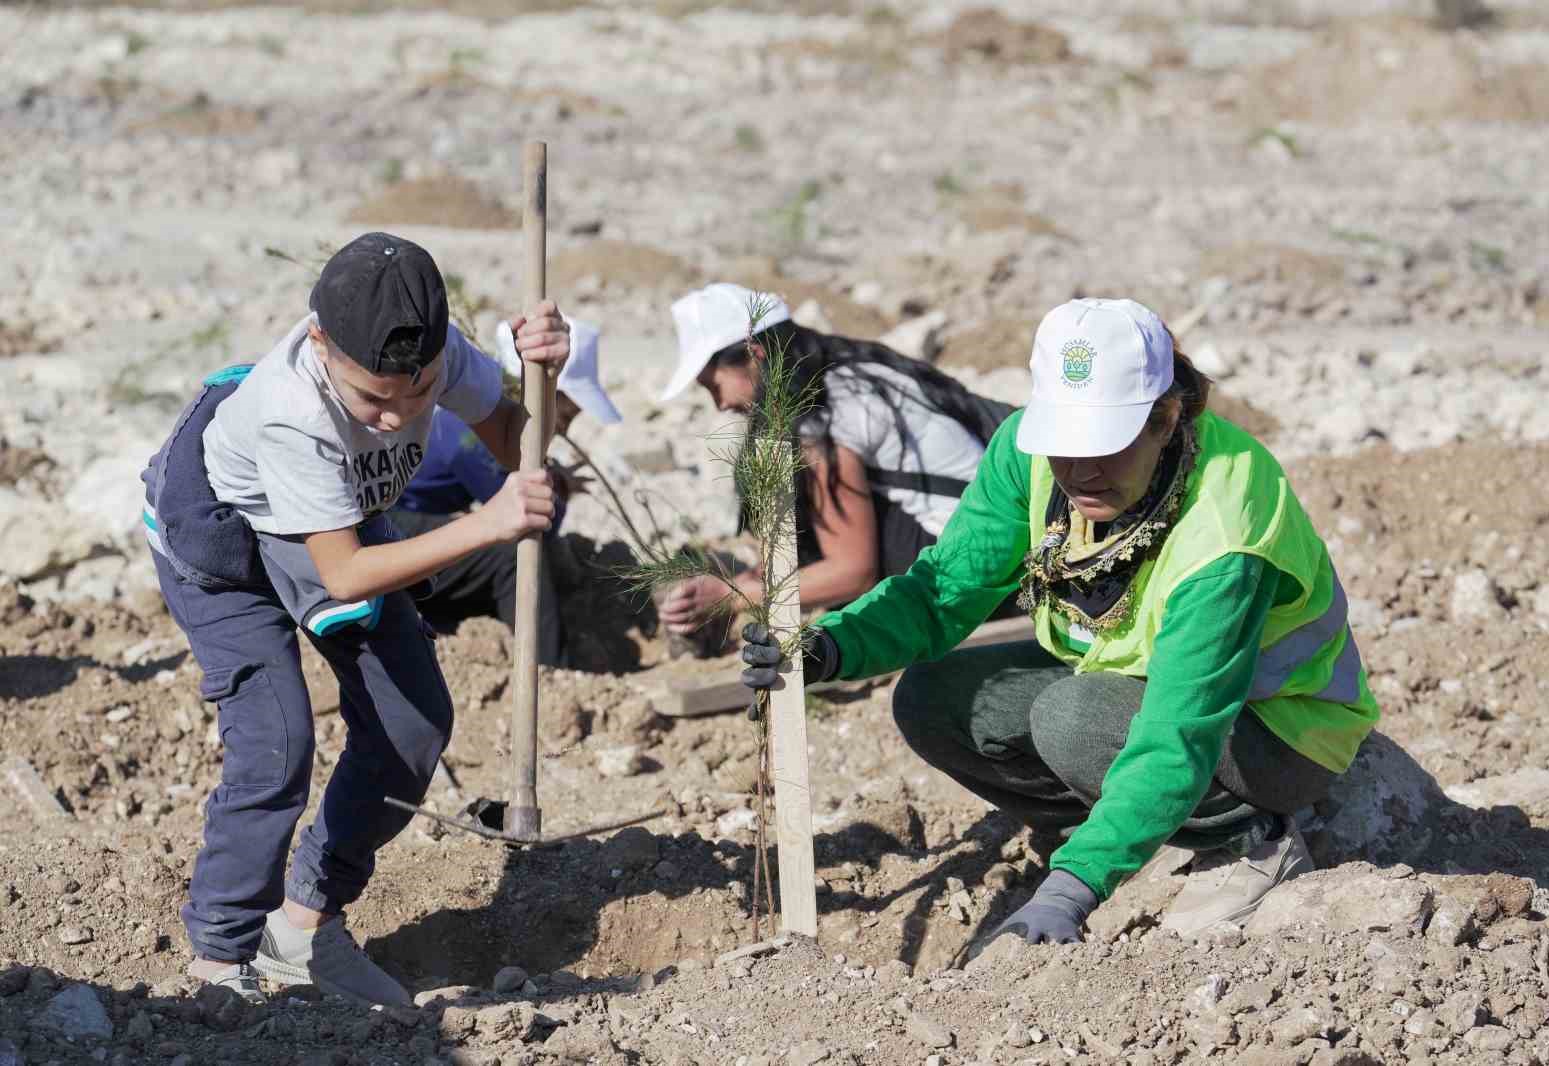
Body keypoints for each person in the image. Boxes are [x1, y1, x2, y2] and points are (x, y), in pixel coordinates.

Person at [739, 297, 1380, 942]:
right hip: (1124, 683)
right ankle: (1123, 831)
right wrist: (829, 647)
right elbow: (943, 590)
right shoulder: (1027, 455)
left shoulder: (1224, 530)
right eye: (1065, 444)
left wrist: (1071, 891)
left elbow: (1179, 730)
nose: (1081, 470)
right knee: (935, 698)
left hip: (1274, 729)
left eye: (1106, 444)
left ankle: (1248, 838)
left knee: (1072, 718)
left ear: (1167, 418)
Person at [139, 232, 570, 1007]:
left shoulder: (432, 356)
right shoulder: (288, 409)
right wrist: (488, 524)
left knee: (413, 725)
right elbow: (343, 575)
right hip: (221, 537)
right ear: (319, 342)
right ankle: (220, 957)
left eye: (417, 393)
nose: (395, 416)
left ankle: (301, 930)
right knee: (276, 743)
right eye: (372, 398)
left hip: (328, 517)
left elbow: (518, 441)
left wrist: (547, 373)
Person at [655, 282, 1019, 645]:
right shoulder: (843, 371)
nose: (719, 404)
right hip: (1002, 543)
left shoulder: (825, 415)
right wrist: (750, 582)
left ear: (755, 354)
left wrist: (733, 598)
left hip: (976, 575)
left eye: (713, 386)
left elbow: (853, 572)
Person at [388, 318, 621, 664]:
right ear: (546, 396)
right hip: (394, 528)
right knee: (515, 554)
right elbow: (531, 518)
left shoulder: (479, 407)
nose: (565, 427)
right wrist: (559, 492)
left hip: (413, 518)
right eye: (565, 415)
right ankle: (548, 672)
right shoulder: (469, 432)